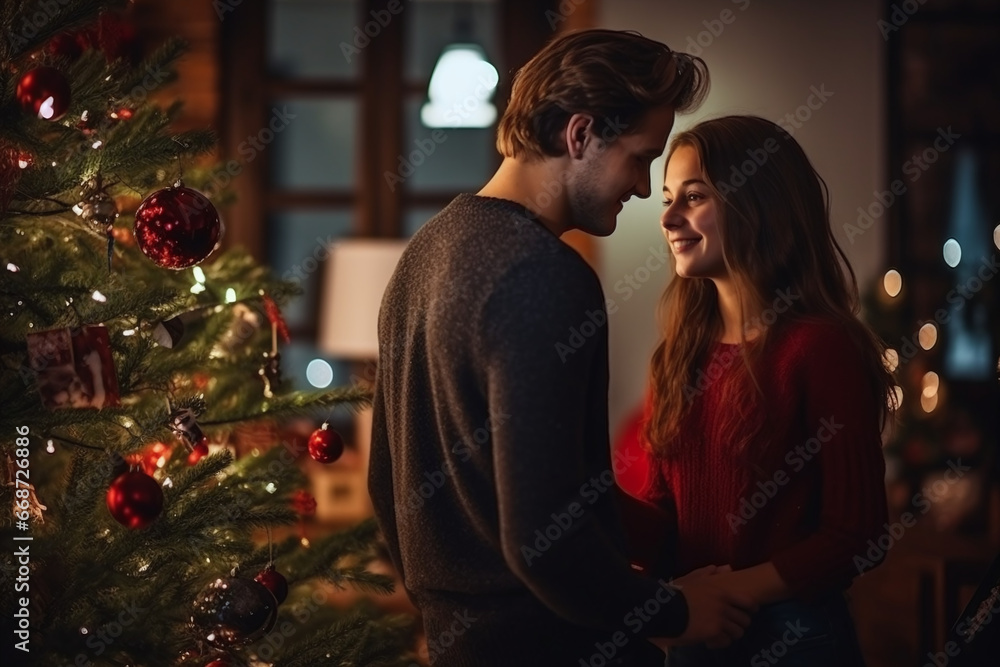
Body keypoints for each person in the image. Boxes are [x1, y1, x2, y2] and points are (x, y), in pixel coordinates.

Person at [369, 29, 757, 666]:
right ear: (579, 135)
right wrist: (679, 611)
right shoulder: (546, 276)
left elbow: (389, 490)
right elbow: (547, 541)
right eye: (638, 157)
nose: (641, 187)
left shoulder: (422, 256)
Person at [636, 114, 897, 666]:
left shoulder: (820, 347)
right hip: (694, 632)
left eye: (694, 196)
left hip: (793, 637)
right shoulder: (677, 355)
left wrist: (728, 592)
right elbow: (664, 521)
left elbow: (857, 532)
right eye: (667, 198)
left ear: (758, 203)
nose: (668, 217)